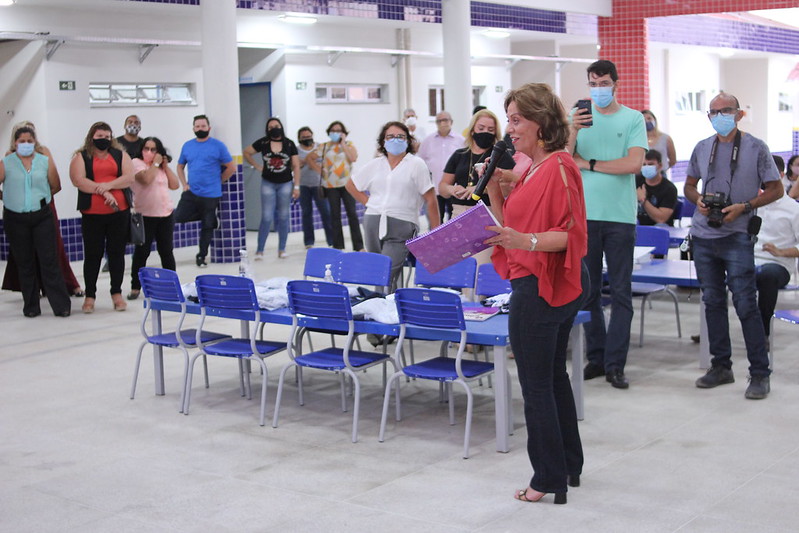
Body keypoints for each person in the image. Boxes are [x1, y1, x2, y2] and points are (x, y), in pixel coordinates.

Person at [483, 83, 587, 505]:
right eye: (508, 119)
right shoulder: (533, 168)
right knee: (552, 379)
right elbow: (509, 225)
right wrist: (493, 187)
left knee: (537, 385)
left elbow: (569, 235)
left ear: (541, 123)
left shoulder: (560, 168)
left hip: (543, 288)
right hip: (533, 281)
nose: (510, 130)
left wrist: (522, 241)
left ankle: (546, 478)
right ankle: (567, 465)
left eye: (515, 120)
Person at [684, 92, 783, 400]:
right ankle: (720, 366)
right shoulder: (702, 148)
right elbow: (689, 185)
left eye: (725, 110)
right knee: (712, 302)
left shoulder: (756, 148)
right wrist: (698, 199)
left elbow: (776, 189)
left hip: (738, 235)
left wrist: (745, 205)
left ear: (739, 114)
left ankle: (759, 374)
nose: (719, 116)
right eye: (713, 111)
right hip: (704, 236)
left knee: (745, 303)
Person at [570, 59, 647, 389]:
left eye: (603, 83)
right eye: (592, 83)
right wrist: (572, 128)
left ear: (616, 83)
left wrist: (588, 163)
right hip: (584, 215)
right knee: (587, 292)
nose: (598, 89)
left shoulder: (632, 118)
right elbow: (562, 158)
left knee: (620, 292)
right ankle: (597, 358)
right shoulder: (579, 119)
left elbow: (633, 163)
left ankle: (617, 363)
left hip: (619, 217)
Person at [346, 121, 440, 291]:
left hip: (402, 224)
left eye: (400, 137)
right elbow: (351, 185)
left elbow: (431, 198)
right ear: (383, 141)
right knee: (376, 272)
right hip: (373, 221)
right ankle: (386, 307)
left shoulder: (416, 164)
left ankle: (383, 304)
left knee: (387, 272)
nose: (395, 140)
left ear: (408, 140)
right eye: (390, 137)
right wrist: (370, 203)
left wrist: (436, 231)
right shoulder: (376, 164)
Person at [1, 121, 83, 298]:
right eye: (21, 138)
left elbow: (55, 183)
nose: (26, 142)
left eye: (30, 136)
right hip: (18, 212)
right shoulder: (9, 157)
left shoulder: (43, 152)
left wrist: (42, 198)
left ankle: (66, 285)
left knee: (53, 248)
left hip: (43, 208)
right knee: (24, 252)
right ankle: (32, 289)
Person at [68, 121, 135, 313]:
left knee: (116, 253)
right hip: (92, 214)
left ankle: (116, 293)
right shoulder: (81, 156)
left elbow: (129, 177)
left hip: (118, 212)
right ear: (91, 137)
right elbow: (78, 180)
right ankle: (90, 295)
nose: (103, 140)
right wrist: (103, 191)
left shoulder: (120, 155)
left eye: (107, 137)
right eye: (99, 137)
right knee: (93, 255)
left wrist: (109, 185)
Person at [439, 109, 514, 266]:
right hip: (458, 214)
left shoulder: (501, 155)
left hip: (485, 213)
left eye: (490, 130)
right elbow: (442, 187)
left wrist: (482, 189)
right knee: (458, 267)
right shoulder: (459, 155)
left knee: (480, 266)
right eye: (481, 128)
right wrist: (452, 189)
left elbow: (510, 188)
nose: (485, 133)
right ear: (472, 129)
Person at [174, 115, 236, 267]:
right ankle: (209, 218)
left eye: (203, 126)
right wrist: (184, 184)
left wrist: (219, 180)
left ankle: (201, 256)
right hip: (192, 191)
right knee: (179, 216)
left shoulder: (218, 146)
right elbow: (180, 166)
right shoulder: (187, 146)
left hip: (211, 193)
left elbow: (231, 167)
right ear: (193, 128)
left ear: (209, 128)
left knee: (207, 226)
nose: (200, 129)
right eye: (197, 126)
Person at [126, 137, 179, 300]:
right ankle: (136, 286)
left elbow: (175, 185)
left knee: (166, 251)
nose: (149, 152)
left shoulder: (160, 167)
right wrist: (155, 164)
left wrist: (165, 166)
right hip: (146, 215)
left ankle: (172, 285)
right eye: (146, 148)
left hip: (165, 214)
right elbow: (146, 180)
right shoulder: (136, 163)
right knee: (142, 252)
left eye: (153, 149)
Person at [243, 117, 300, 259]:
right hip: (268, 182)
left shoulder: (289, 144)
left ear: (281, 126)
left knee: (284, 216)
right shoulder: (263, 142)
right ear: (267, 130)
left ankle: (282, 249)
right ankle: (260, 250)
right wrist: (257, 166)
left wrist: (297, 186)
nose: (274, 128)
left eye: (276, 125)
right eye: (270, 127)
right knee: (267, 217)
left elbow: (296, 165)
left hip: (286, 183)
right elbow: (246, 152)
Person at [310, 121, 364, 251]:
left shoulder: (349, 145)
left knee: (352, 214)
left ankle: (359, 245)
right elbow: (310, 158)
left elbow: (353, 158)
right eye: (333, 130)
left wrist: (343, 143)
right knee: (335, 215)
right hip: (330, 185)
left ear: (344, 133)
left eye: (339, 130)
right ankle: (338, 245)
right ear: (329, 132)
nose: (336, 133)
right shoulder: (324, 146)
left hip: (347, 185)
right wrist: (319, 170)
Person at [754, 192, 799, 337]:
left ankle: (763, 332)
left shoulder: (793, 209)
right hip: (748, 259)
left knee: (768, 275)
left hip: (778, 264)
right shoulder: (753, 204)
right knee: (717, 270)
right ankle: (712, 329)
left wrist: (780, 252)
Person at [417, 111, 464, 223]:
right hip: (434, 188)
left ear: (451, 122)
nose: (443, 123)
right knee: (436, 222)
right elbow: (421, 161)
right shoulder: (428, 141)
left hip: (455, 189)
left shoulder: (461, 140)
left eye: (445, 120)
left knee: (455, 221)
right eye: (439, 121)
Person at [296, 126, 334, 248]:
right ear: (299, 139)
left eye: (309, 136)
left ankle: (331, 240)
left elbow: (326, 163)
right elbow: (295, 166)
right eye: (304, 137)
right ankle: (309, 242)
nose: (307, 138)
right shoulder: (296, 151)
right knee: (306, 213)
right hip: (303, 185)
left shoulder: (320, 148)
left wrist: (307, 160)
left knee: (326, 212)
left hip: (319, 185)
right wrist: (306, 161)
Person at [636, 149, 678, 226]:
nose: (647, 167)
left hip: (659, 226)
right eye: (644, 164)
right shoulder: (635, 181)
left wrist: (643, 200)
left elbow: (661, 219)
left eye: (651, 164)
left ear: (660, 166)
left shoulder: (669, 189)